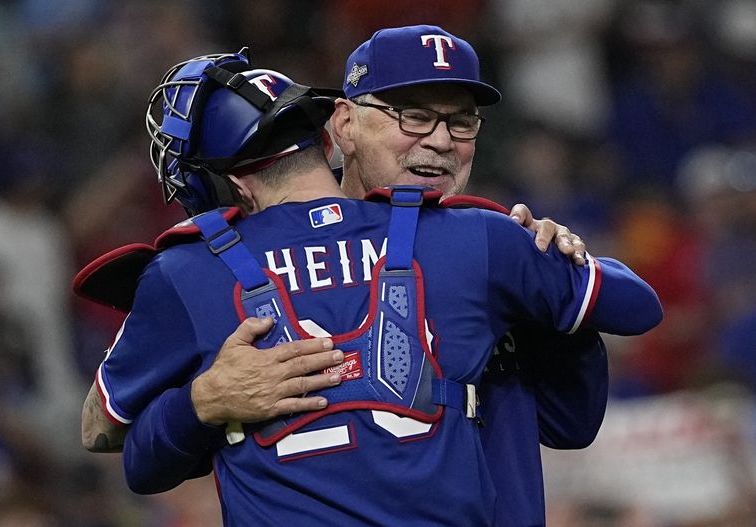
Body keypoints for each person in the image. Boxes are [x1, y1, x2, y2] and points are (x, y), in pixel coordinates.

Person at [76, 44, 662, 526]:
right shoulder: (478, 241)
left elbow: (571, 423)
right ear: (339, 128)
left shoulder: (191, 270)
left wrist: (558, 265)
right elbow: (635, 307)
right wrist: (206, 401)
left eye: (460, 122)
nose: (437, 140)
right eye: (411, 117)